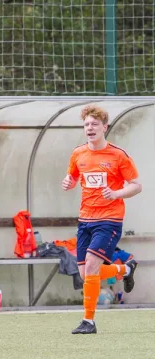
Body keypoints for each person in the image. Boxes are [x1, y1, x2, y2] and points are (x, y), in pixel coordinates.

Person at [62, 104, 141, 335]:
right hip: (85, 220)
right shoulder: (78, 153)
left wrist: (116, 193)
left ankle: (89, 321)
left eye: (94, 124)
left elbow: (137, 186)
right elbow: (72, 178)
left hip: (109, 219)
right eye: (86, 124)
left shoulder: (118, 155)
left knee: (93, 266)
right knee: (87, 274)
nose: (90, 128)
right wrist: (68, 183)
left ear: (104, 127)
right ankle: (124, 269)